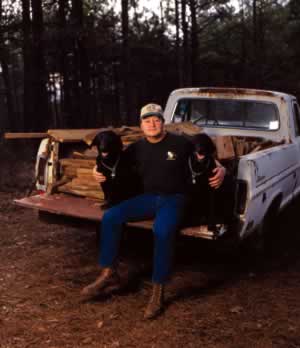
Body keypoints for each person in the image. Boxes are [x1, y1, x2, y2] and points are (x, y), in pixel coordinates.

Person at [81, 103, 225, 319]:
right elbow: (113, 161)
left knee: (162, 231)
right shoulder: (137, 148)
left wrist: (221, 168)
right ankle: (109, 273)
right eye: (147, 120)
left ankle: (158, 290)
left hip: (175, 198)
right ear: (141, 125)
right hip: (149, 198)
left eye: (156, 119)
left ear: (162, 122)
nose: (152, 124)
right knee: (111, 216)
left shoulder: (181, 143)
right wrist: (96, 168)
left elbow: (205, 158)